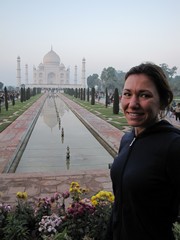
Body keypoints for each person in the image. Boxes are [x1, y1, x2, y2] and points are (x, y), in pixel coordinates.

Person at [106, 62, 180, 240]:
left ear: (163, 101)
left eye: (144, 95)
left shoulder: (173, 145)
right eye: (127, 94)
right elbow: (120, 203)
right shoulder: (127, 139)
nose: (133, 104)